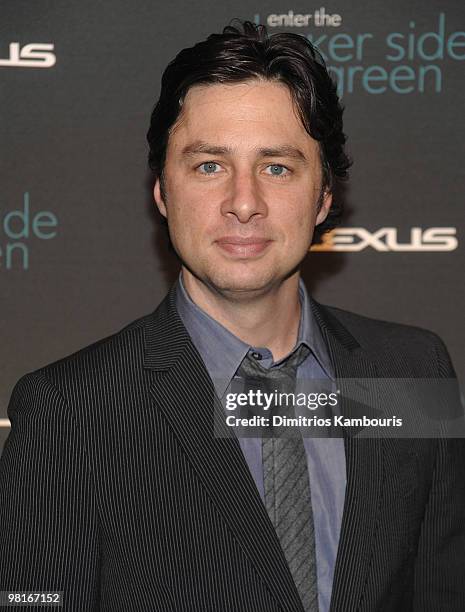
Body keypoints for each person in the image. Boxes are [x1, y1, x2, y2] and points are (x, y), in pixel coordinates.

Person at [0, 21, 464, 612]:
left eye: (277, 167)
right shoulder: (68, 409)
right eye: (209, 166)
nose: (244, 203)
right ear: (162, 192)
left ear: (324, 196)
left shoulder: (414, 372)